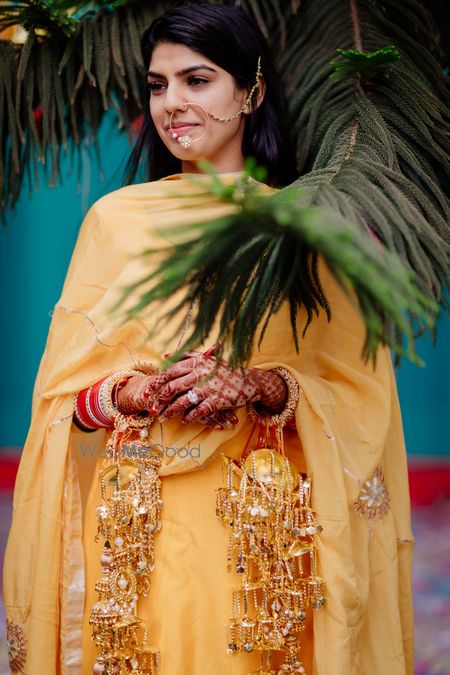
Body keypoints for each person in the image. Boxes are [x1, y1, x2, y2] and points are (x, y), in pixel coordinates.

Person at [3, 3, 414, 674]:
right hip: (140, 534)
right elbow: (63, 401)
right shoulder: (117, 222)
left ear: (251, 91)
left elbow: (360, 394)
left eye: (197, 80)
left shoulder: (308, 225)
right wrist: (131, 391)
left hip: (265, 532)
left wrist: (258, 386)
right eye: (158, 84)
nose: (172, 104)